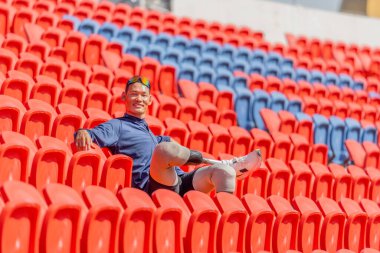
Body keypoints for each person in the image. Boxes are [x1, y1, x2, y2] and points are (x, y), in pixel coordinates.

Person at [75, 76, 260, 196]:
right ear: (124, 97)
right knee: (164, 149)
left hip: (180, 182)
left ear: (149, 100)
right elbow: (91, 134)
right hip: (155, 187)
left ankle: (227, 167)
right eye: (133, 94)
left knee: (224, 174)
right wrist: (83, 132)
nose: (138, 98)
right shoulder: (118, 126)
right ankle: (223, 163)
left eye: (143, 95)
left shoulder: (154, 135)